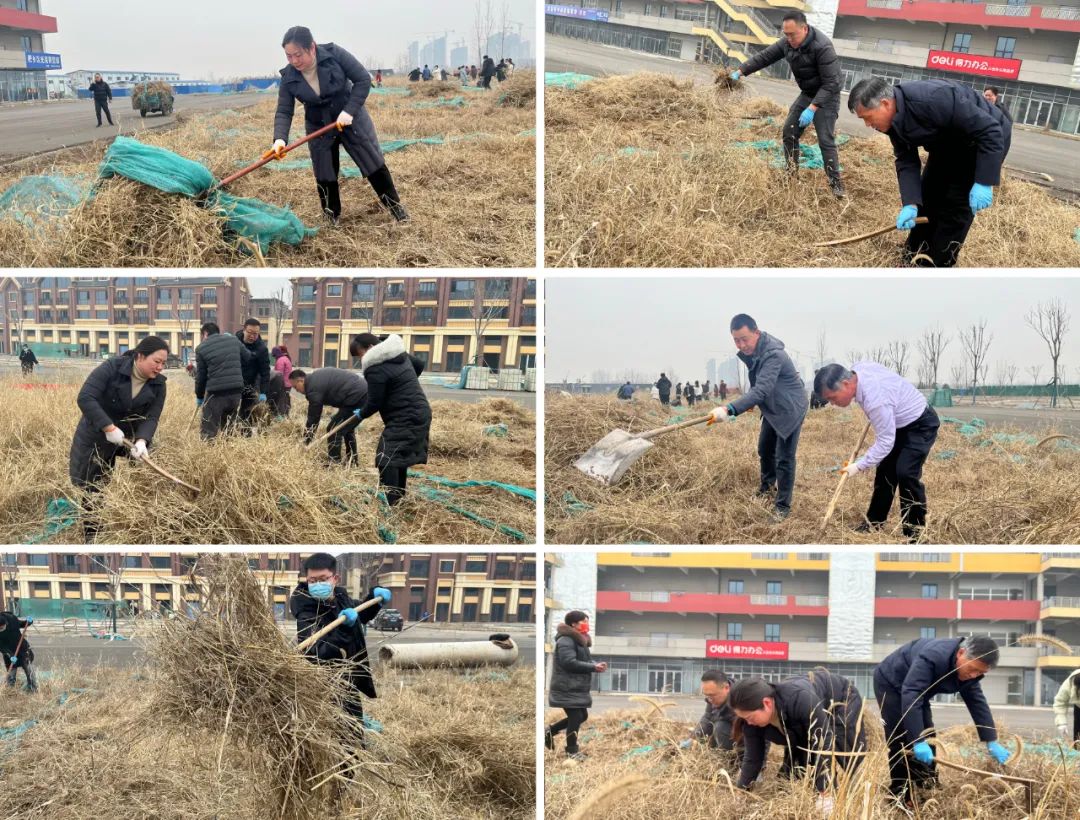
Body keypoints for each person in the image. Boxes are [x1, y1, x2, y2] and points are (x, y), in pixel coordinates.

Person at [848, 76, 1011, 268]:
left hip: (982, 142)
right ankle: (913, 256)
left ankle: (937, 265)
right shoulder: (892, 120)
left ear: (884, 104)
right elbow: (906, 161)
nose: (868, 125)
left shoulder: (933, 99)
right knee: (928, 196)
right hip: (947, 145)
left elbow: (990, 131)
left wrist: (984, 181)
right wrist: (910, 203)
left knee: (955, 209)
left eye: (867, 117)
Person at [273, 26, 409, 224]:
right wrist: (279, 139)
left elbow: (362, 79)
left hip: (349, 117)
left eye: (298, 55)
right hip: (319, 125)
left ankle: (396, 209)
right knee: (324, 171)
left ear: (311, 48)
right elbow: (284, 110)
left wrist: (349, 111)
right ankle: (331, 217)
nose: (294, 61)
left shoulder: (334, 54)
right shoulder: (289, 77)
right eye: (289, 56)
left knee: (373, 163)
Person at [813, 362, 940, 540]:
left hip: (920, 424)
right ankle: (874, 523)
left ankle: (915, 534)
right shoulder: (858, 369)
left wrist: (859, 466)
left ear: (846, 384)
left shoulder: (876, 399)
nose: (833, 404)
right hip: (898, 422)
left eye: (833, 398)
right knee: (885, 472)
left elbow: (886, 441)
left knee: (905, 473)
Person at [874, 636, 1008, 803]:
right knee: (901, 738)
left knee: (928, 735)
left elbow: (977, 702)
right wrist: (916, 739)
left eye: (981, 673)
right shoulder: (933, 656)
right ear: (961, 653)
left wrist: (991, 740)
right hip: (892, 682)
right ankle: (900, 794)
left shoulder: (971, 673)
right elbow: (912, 694)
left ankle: (927, 787)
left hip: (917, 691)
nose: (974, 675)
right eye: (973, 668)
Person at [729, 12, 844, 198]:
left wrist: (813, 108)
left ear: (804, 29)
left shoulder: (822, 47)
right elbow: (764, 57)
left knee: (825, 140)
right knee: (789, 131)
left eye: (792, 34)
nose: (788, 39)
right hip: (807, 93)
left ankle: (836, 184)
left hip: (827, 96)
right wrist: (740, 71)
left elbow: (832, 83)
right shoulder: (786, 43)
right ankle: (791, 175)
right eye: (786, 34)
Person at [710, 314, 808, 521]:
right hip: (772, 405)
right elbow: (761, 385)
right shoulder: (757, 351)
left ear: (756, 332)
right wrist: (752, 402)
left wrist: (729, 409)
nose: (741, 344)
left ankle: (782, 507)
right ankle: (766, 487)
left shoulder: (773, 355)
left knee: (784, 457)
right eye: (736, 340)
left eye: (745, 338)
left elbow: (762, 389)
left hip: (790, 408)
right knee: (765, 448)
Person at [70, 337, 168, 542]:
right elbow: (86, 397)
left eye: (163, 363)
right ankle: (92, 536)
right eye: (156, 361)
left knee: (151, 469)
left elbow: (152, 417)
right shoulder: (112, 368)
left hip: (129, 438)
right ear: (140, 356)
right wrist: (108, 427)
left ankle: (141, 525)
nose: (160, 367)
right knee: (94, 487)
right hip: (98, 433)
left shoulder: (159, 384)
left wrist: (142, 441)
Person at [730, 670, 865, 812]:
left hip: (840, 699)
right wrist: (741, 792)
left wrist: (826, 793)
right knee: (792, 775)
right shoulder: (750, 721)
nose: (748, 723)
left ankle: (856, 796)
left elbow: (822, 743)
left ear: (767, 703)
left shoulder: (800, 699)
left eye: (750, 717)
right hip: (799, 718)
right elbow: (752, 758)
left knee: (845, 751)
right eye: (744, 718)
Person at [290, 552, 390, 731]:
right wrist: (344, 629)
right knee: (341, 735)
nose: (317, 585)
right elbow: (316, 654)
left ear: (335, 578)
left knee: (354, 731)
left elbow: (361, 614)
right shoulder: (306, 611)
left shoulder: (341, 598)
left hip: (348, 679)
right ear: (306, 579)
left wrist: (374, 600)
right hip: (327, 688)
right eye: (313, 581)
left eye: (323, 579)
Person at [350, 333, 432, 505]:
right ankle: (398, 498)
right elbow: (419, 365)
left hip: (405, 416)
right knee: (397, 456)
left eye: (360, 354)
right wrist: (401, 384)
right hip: (419, 410)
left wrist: (361, 414)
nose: (361, 359)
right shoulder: (397, 354)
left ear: (371, 348)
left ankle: (390, 503)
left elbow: (374, 402)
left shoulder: (375, 367)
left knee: (386, 457)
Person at [545, 610, 606, 759]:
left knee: (582, 716)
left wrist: (595, 664)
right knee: (576, 717)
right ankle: (572, 751)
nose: (587, 625)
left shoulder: (580, 640)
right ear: (574, 624)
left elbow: (582, 660)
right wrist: (592, 667)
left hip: (575, 687)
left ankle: (549, 732)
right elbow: (569, 662)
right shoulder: (566, 640)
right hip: (566, 686)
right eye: (584, 621)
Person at [288, 366, 369, 464]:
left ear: (301, 380)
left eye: (295, 387)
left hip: (357, 396)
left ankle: (334, 463)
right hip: (361, 393)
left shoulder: (313, 388)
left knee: (334, 429)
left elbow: (313, 417)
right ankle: (352, 460)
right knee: (346, 428)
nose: (296, 390)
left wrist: (306, 440)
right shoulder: (314, 380)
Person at [194, 322, 248, 439]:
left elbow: (201, 376)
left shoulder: (201, 348)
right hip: (236, 392)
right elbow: (247, 357)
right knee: (230, 427)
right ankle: (229, 451)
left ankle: (208, 453)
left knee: (209, 428)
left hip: (216, 394)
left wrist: (199, 395)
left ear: (205, 333)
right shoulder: (233, 340)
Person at [682, 670, 738, 754]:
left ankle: (730, 760)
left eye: (712, 695)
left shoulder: (739, 698)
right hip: (728, 733)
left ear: (727, 688)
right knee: (710, 730)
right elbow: (707, 718)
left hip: (744, 738)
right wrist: (693, 737)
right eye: (707, 695)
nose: (709, 699)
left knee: (720, 727)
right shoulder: (712, 699)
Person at [235, 318, 269, 434]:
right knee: (232, 413)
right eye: (250, 332)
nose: (252, 336)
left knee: (247, 414)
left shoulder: (261, 349)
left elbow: (265, 372)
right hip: (233, 384)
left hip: (249, 385)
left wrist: (263, 391)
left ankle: (245, 437)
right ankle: (229, 437)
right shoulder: (234, 341)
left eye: (256, 334)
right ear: (244, 329)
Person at [0, 612, 36, 692]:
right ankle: (10, 691)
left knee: (29, 669)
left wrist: (28, 622)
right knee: (11, 673)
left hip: (22, 648)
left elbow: (21, 624)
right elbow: (1, 646)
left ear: (6, 623)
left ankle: (32, 688)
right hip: (8, 652)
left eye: (2, 627)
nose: (1, 629)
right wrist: (9, 654)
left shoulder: (11, 619)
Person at [1053, 668, 1080, 746]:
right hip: (1079, 708)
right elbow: (1060, 702)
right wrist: (1062, 723)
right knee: (1078, 739)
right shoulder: (1070, 682)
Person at [270, 345, 293, 417]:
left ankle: (281, 415)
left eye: (274, 355)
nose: (274, 357)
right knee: (286, 399)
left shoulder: (280, 360)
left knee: (281, 401)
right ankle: (286, 414)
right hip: (288, 383)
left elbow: (278, 374)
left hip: (283, 384)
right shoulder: (286, 358)